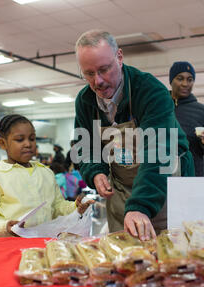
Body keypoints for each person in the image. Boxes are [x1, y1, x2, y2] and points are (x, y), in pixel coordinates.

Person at [73, 30, 194, 241]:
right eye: (89, 74)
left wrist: (140, 206)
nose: (98, 81)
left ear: (119, 57)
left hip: (164, 184)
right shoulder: (85, 101)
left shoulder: (149, 91)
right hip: (121, 192)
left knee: (171, 255)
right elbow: (85, 146)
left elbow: (160, 154)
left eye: (104, 69)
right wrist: (95, 171)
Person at [0, 114, 94, 237]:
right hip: (11, 243)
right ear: (3, 143)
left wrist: (74, 206)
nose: (28, 144)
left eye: (32, 138)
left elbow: (56, 206)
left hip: (44, 241)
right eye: (20, 139)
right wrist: (4, 226)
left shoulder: (45, 172)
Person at [169, 61, 204, 177]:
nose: (185, 84)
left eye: (190, 79)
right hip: (162, 176)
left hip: (192, 177)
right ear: (171, 80)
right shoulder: (160, 107)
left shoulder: (203, 112)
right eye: (180, 78)